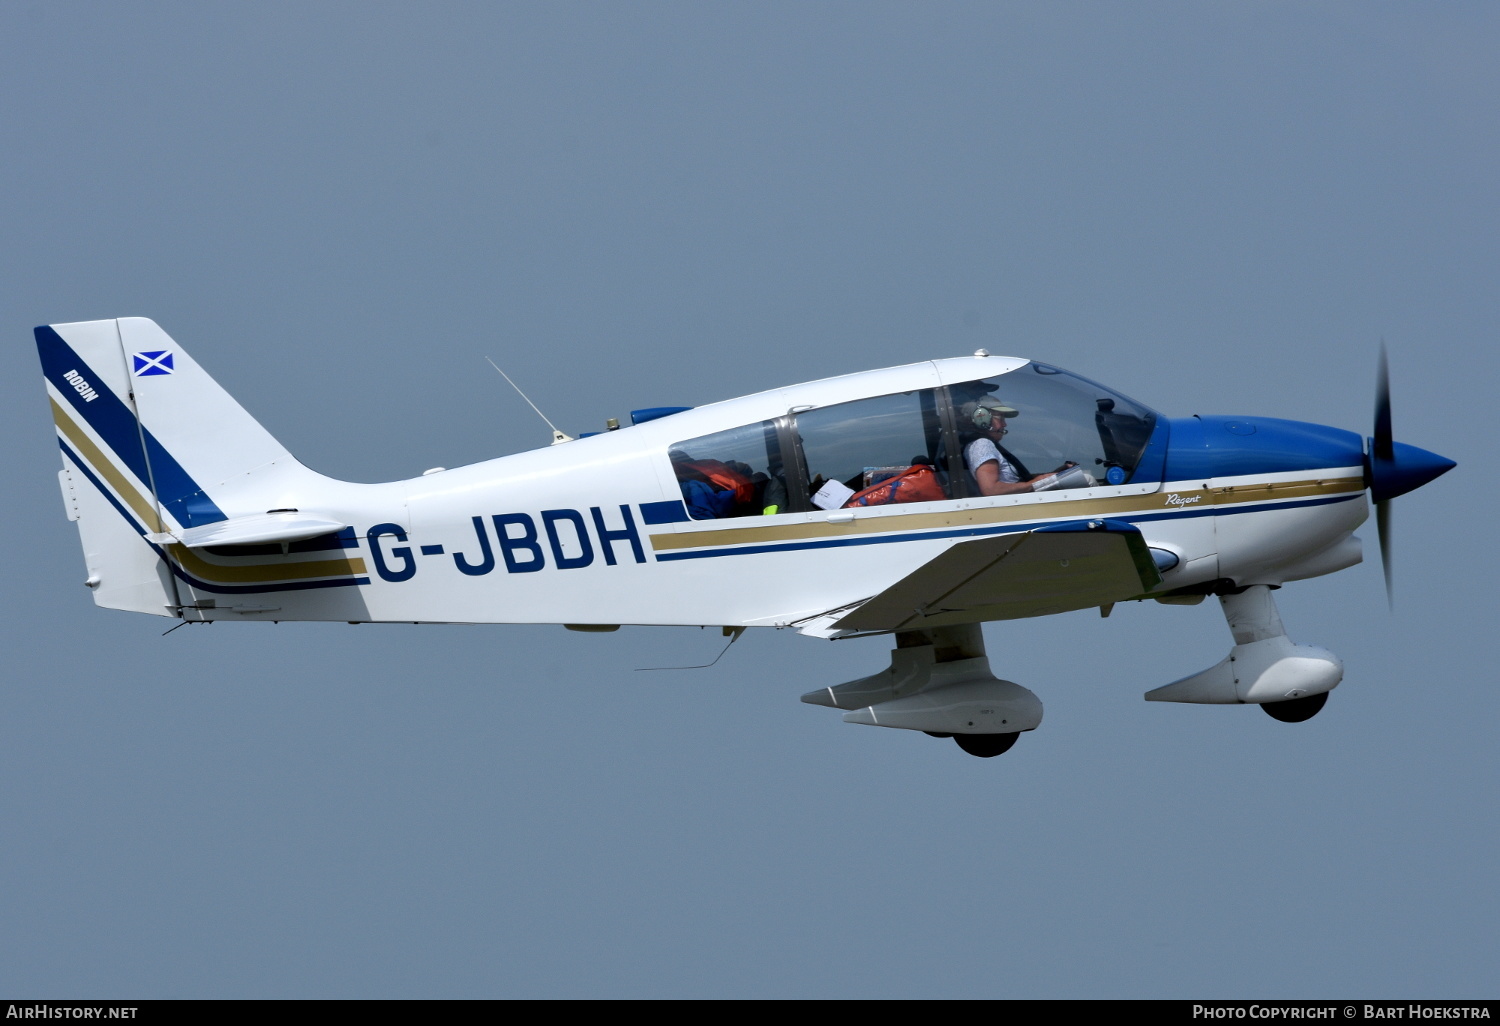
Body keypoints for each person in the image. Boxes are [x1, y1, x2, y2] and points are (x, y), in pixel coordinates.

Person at [960, 398, 1078, 496]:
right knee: (1087, 479)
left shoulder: (984, 443)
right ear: (982, 419)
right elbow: (991, 490)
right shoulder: (982, 444)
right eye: (1000, 418)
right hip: (1012, 506)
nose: (1004, 424)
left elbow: (1016, 480)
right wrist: (1034, 484)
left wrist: (1053, 474)